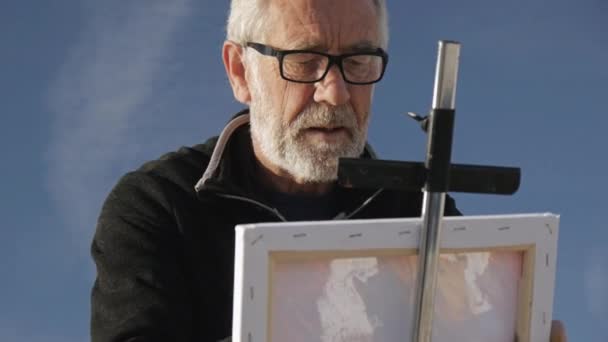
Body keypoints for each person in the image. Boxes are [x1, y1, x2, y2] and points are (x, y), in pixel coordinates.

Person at [90, 0, 567, 341]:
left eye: (358, 61)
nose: (335, 93)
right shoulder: (160, 207)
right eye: (305, 61)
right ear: (240, 71)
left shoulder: (426, 215)